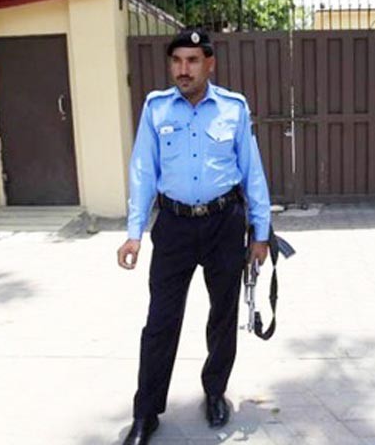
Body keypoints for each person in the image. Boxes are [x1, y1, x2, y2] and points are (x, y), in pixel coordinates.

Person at [117, 28, 271, 445]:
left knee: (222, 315)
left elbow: (252, 172)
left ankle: (215, 390)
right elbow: (143, 171)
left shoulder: (233, 109)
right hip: (174, 226)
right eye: (177, 61)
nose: (183, 70)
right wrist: (134, 233)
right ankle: (146, 412)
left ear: (209, 64)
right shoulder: (156, 108)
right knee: (160, 322)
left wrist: (261, 233)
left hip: (224, 223)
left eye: (192, 61)